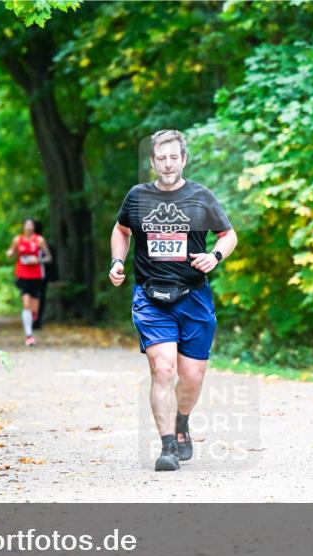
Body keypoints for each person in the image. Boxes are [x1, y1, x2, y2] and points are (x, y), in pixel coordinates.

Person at [109, 129, 238, 472]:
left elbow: (228, 235)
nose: (167, 164)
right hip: (151, 297)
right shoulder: (137, 196)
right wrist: (117, 261)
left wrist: (214, 256)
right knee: (163, 368)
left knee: (192, 375)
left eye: (173, 158)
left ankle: (181, 422)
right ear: (153, 162)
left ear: (184, 160)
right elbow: (121, 230)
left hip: (193, 295)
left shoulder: (201, 196)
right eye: (161, 158)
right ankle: (167, 446)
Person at [6, 217, 51, 346]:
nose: (29, 227)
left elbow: (49, 257)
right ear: (24, 226)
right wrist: (10, 253)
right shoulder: (18, 240)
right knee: (26, 303)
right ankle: (29, 335)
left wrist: (37, 260)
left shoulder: (39, 240)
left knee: (34, 309)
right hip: (22, 274)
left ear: (34, 227)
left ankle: (33, 316)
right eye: (27, 225)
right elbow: (10, 252)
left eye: (31, 225)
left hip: (36, 275)